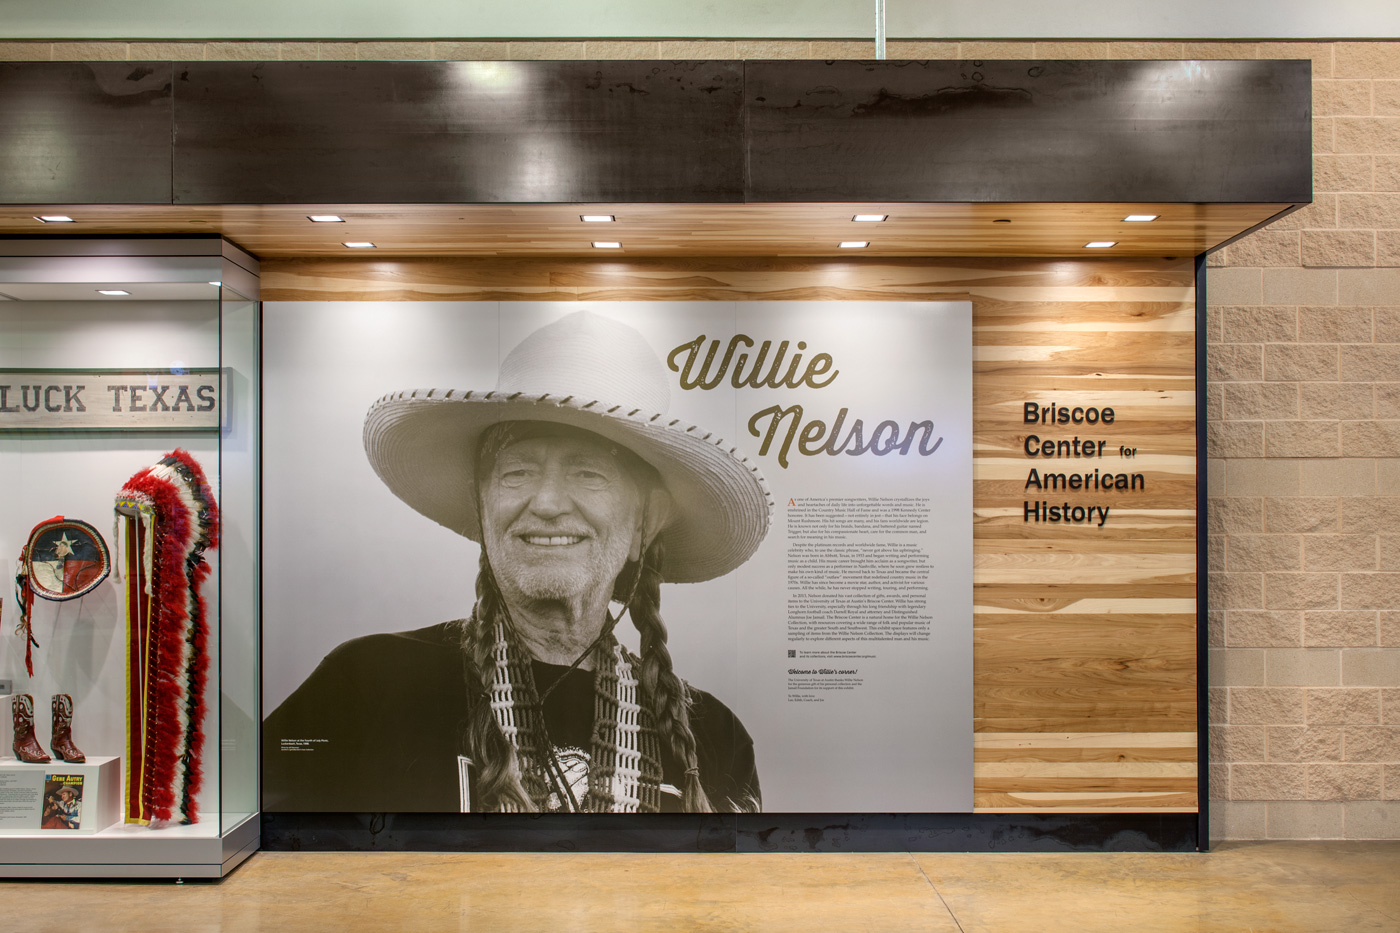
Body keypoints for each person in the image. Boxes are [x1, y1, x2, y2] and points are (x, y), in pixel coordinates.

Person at [264, 311, 772, 813]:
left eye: (588, 474)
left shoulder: (713, 739)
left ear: (647, 521)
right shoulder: (365, 686)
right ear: (482, 505)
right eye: (517, 472)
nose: (547, 502)